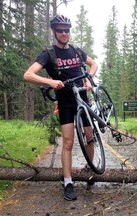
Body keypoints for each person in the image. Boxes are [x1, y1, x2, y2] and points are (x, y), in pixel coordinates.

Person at [23, 15, 98, 201]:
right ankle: (68, 182)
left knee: (90, 138)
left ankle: (90, 169)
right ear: (54, 32)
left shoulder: (76, 50)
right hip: (65, 103)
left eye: (67, 30)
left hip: (83, 100)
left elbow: (94, 64)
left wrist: (89, 79)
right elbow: (28, 74)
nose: (64, 33)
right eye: (60, 30)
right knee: (68, 142)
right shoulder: (48, 54)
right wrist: (50, 81)